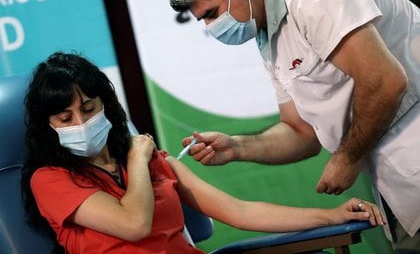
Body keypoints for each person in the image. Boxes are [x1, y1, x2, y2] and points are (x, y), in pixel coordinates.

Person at [20, 52, 384, 254]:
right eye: (64, 117)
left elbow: (239, 211)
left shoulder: (151, 160)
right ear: (47, 126)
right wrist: (136, 158)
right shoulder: (50, 179)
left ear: (106, 106)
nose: (80, 122)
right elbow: (133, 224)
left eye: (88, 108)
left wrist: (331, 216)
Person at [169, 0, 420, 252]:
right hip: (397, 181)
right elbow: (301, 133)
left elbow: (386, 81)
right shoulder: (267, 33)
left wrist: (348, 157)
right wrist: (236, 147)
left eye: (211, 14)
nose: (211, 27)